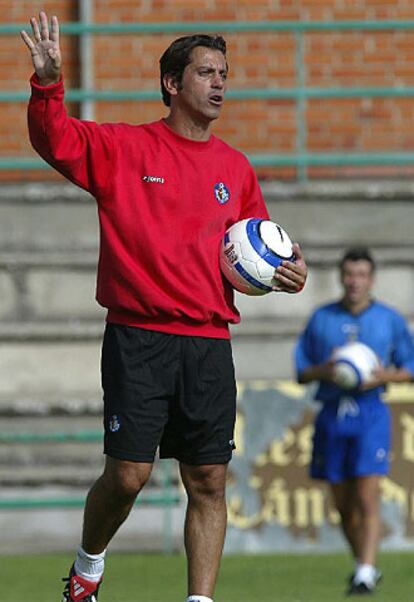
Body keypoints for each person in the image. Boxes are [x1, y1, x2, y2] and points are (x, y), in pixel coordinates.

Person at [21, 11, 307, 602]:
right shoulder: (125, 147)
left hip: (209, 344)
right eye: (206, 72)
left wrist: (288, 274)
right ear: (172, 83)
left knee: (208, 479)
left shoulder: (235, 168)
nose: (219, 83)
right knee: (128, 476)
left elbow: (260, 251)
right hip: (138, 338)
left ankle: (199, 600)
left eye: (224, 73)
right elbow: (55, 139)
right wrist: (48, 84)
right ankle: (88, 566)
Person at [294, 247, 414, 596]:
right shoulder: (322, 318)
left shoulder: (388, 319)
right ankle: (363, 564)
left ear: (371, 279)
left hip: (371, 414)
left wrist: (382, 377)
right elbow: (302, 370)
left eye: (361, 275)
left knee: (366, 494)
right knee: (342, 503)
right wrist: (327, 370)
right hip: (332, 415)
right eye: (349, 275)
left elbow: (409, 368)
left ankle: (365, 569)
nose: (354, 282)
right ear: (341, 277)